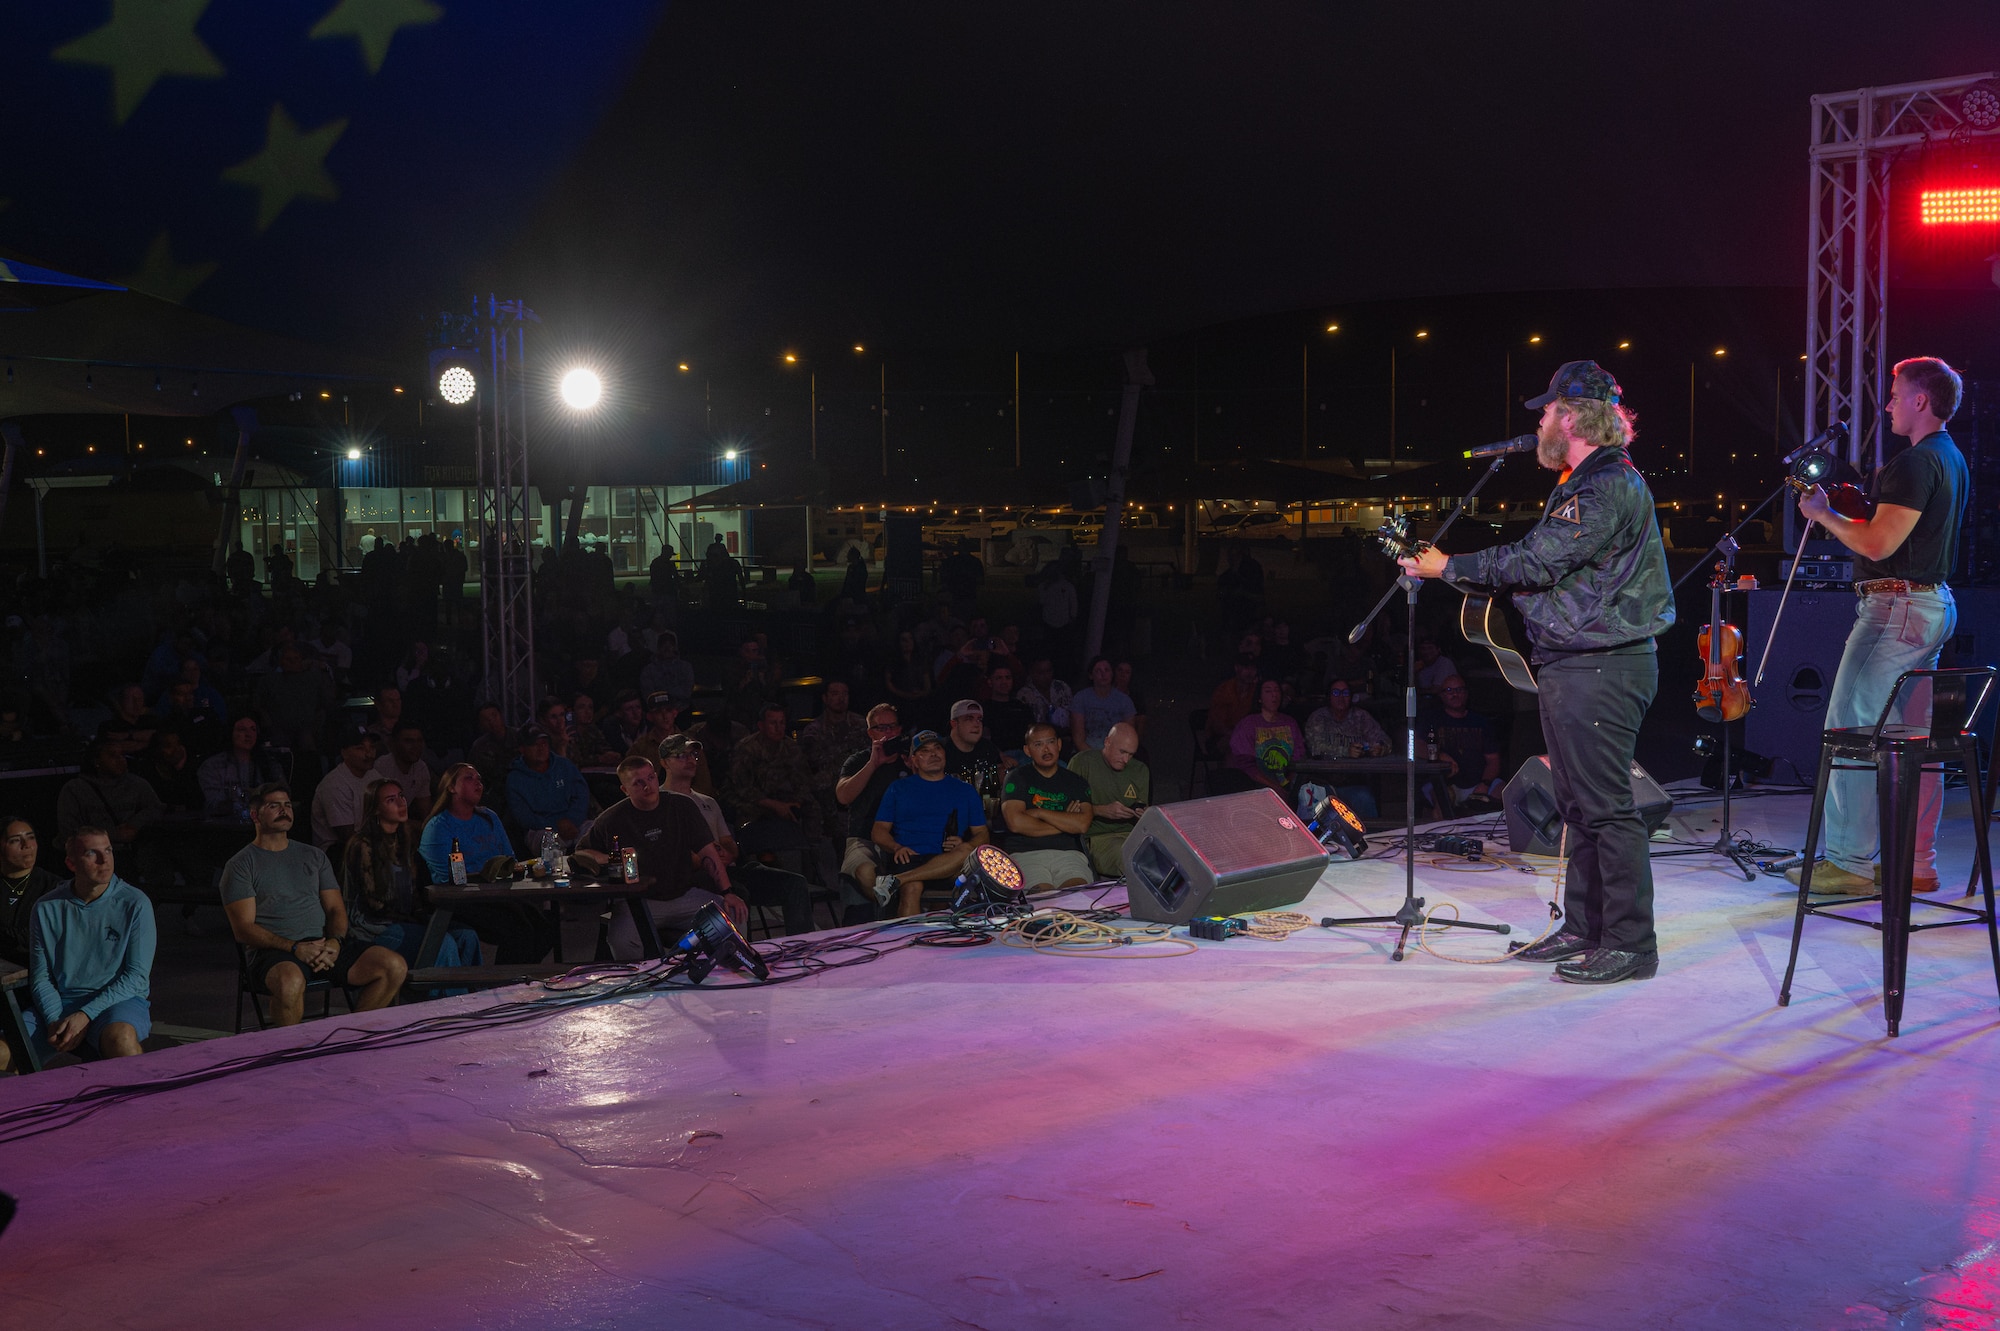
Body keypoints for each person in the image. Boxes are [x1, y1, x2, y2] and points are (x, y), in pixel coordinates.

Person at [1398, 358, 1672, 985]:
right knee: (1578, 806)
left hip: (1601, 666)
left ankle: (1632, 945)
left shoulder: (1604, 485)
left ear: (1572, 416)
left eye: (1549, 410)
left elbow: (1540, 559)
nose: (1542, 420)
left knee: (1606, 809)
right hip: (1578, 662)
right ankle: (1585, 928)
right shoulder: (1586, 480)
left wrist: (1449, 566)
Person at [1789, 356, 1970, 896]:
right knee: (1914, 738)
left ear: (1920, 401)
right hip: (1932, 606)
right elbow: (1904, 534)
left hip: (1897, 610)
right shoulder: (1950, 457)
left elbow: (1877, 545)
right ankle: (1916, 863)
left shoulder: (1915, 462)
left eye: (1895, 395)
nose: (1888, 404)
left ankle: (1847, 863)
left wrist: (1823, 514)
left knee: (1851, 726)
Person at [220, 785, 407, 1025]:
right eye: (274, 805)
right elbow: (243, 929)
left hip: (323, 947)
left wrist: (335, 941)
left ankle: (351, 1039)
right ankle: (291, 1056)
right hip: (275, 953)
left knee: (393, 966)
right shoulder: (241, 865)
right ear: (255, 815)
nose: (284, 810)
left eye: (287, 805)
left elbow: (335, 909)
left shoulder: (314, 856)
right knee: (290, 983)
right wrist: (295, 948)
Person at [9, 827, 155, 1071]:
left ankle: (142, 1107)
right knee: (4, 1050)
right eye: (92, 853)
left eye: (108, 850)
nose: (104, 859)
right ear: (71, 863)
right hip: (60, 1004)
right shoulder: (47, 907)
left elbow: (136, 977)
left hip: (117, 1002)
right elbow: (41, 977)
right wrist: (56, 1020)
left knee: (121, 1040)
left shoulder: (135, 903)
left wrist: (85, 1014)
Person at [575, 755, 739, 956]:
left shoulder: (681, 806)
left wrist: (727, 892)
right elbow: (582, 851)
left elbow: (708, 852)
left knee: (732, 914)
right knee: (621, 940)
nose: (648, 786)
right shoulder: (612, 819)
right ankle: (644, 982)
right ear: (625, 790)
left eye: (651, 778)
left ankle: (720, 972)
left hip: (683, 893)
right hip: (639, 900)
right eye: (638, 783)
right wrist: (610, 858)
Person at [664, 735, 815, 936]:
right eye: (682, 756)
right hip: (698, 876)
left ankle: (801, 947)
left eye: (693, 755)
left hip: (729, 869)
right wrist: (707, 858)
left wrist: (729, 852)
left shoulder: (707, 801)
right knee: (738, 893)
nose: (691, 760)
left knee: (794, 883)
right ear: (665, 762)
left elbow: (727, 840)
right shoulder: (660, 802)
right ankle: (745, 955)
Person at [419, 764, 554, 962]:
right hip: (462, 899)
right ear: (451, 787)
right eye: (469, 778)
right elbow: (444, 881)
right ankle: (505, 986)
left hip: (499, 893)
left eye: (479, 778)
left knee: (546, 929)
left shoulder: (488, 817)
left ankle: (517, 979)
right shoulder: (439, 827)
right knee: (519, 931)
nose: (478, 783)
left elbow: (510, 859)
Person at [340, 779, 481, 969]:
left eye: (402, 796)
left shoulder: (407, 839)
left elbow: (416, 892)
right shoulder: (363, 845)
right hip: (375, 928)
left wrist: (425, 917)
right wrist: (421, 923)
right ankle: (449, 997)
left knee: (467, 936)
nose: (401, 803)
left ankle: (474, 996)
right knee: (442, 943)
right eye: (391, 800)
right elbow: (373, 904)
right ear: (376, 809)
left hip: (409, 919)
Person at [869, 730, 988, 918]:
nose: (933, 754)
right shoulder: (898, 788)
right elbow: (878, 831)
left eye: (937, 748)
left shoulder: (965, 790)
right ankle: (910, 944)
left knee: (967, 852)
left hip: (950, 862)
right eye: (925, 751)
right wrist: (896, 847)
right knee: (913, 887)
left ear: (945, 754)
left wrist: (966, 843)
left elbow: (982, 834)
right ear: (914, 760)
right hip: (910, 857)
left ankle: (895, 881)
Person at [999, 723, 1095, 890]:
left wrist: (1039, 812)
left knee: (1076, 895)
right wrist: (1066, 822)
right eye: (1038, 744)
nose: (1046, 749)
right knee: (1043, 899)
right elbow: (1015, 823)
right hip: (1025, 854)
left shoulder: (1076, 781)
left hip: (1068, 854)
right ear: (1027, 750)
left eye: (1050, 742)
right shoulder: (1017, 778)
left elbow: (1082, 824)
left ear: (1058, 744)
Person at [834, 704, 909, 909]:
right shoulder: (859, 760)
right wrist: (873, 764)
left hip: (904, 838)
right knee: (865, 871)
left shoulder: (911, 760)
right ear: (870, 732)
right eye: (881, 728)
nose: (888, 733)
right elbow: (843, 796)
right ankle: (889, 910)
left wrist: (916, 769)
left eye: (892, 727)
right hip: (863, 838)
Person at [1070, 723, 1150, 878]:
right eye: (1122, 752)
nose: (1126, 759)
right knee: (1132, 858)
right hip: (1099, 837)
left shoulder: (1139, 770)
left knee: (1171, 855)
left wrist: (1145, 813)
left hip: (1132, 833)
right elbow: (1067, 810)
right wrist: (1101, 810)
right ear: (1107, 742)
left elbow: (1143, 805)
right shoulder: (1083, 762)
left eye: (1131, 754)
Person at [57, 739, 163, 855]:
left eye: (122, 755)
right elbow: (68, 831)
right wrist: (113, 835)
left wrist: (134, 825)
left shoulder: (137, 784)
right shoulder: (74, 789)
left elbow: (155, 809)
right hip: (92, 854)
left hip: (135, 853)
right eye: (113, 755)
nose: (120, 760)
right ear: (96, 761)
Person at [1303, 679, 1388, 819]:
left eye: (1345, 693)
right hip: (1323, 783)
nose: (1341, 697)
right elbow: (1315, 747)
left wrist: (1380, 749)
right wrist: (1346, 752)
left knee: (1364, 798)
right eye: (1336, 693)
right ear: (1329, 696)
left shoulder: (1361, 716)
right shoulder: (1319, 717)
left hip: (1354, 782)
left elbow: (1384, 740)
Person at [505, 724, 590, 848]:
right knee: (549, 846)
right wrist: (555, 825)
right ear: (522, 749)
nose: (541, 748)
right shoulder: (515, 778)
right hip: (540, 829)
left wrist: (572, 820)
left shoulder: (564, 765)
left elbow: (581, 796)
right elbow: (523, 816)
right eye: (534, 744)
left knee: (599, 832)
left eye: (544, 743)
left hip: (575, 824)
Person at [1423, 676, 1502, 810]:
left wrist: (1485, 784)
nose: (1455, 694)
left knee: (1504, 793)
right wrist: (1439, 754)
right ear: (1441, 695)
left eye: (1459, 690)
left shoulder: (1480, 722)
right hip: (1444, 783)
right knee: (1441, 798)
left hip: (1479, 784)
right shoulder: (1432, 719)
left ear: (1466, 693)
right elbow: (1414, 745)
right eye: (1449, 690)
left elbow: (1493, 760)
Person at [799, 680, 867, 821]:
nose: (841, 699)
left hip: (857, 782)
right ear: (825, 698)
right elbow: (810, 766)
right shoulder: (814, 730)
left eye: (845, 694)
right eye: (835, 694)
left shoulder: (861, 725)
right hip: (827, 791)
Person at [1227, 679, 1304, 797]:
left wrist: (1288, 784)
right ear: (1260, 698)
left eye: (1277, 691)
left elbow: (1299, 756)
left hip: (1287, 783)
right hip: (1255, 786)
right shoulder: (1248, 724)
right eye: (1268, 691)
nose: (1274, 695)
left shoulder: (1290, 723)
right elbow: (1245, 764)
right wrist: (1273, 787)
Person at [198, 714, 286, 816]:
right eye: (242, 729)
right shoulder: (212, 766)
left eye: (253, 729)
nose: (248, 734)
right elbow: (212, 803)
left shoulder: (269, 764)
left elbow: (284, 793)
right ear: (231, 733)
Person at [0, 817, 59, 968]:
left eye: (31, 838)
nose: (27, 846)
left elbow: (40, 935)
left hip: (38, 970)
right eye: (15, 840)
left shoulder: (54, 886)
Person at [310, 725, 380, 850]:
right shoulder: (334, 784)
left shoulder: (373, 775)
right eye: (360, 748)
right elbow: (347, 837)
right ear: (344, 753)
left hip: (367, 840)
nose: (369, 754)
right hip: (335, 852)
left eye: (372, 747)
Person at [942, 699, 1012, 805]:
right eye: (969, 719)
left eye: (979, 719)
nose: (976, 724)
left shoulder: (988, 748)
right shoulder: (940, 751)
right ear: (954, 724)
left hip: (984, 813)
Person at [1070, 656, 1137, 753]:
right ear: (1091, 675)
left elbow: (1128, 735)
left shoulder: (1125, 701)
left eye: (1107, 670)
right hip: (1085, 754)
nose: (1103, 674)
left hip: (1116, 755)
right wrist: (1095, 758)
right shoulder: (1080, 698)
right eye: (1098, 671)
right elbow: (1078, 739)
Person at [373, 722, 434, 821]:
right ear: (393, 743)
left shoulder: (421, 768)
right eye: (409, 741)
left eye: (419, 741)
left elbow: (426, 812)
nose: (416, 746)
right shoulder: (381, 768)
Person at [1205, 654, 1261, 751]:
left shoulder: (1257, 690)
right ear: (1236, 668)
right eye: (1246, 668)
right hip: (1220, 737)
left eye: (1253, 668)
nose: (1250, 672)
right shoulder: (1224, 691)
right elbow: (1219, 727)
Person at [982, 663, 1034, 754]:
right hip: (999, 757)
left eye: (1008, 678)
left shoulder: (1022, 707)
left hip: (1026, 754)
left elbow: (1033, 733)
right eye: (999, 678)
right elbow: (984, 739)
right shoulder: (984, 708)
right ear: (990, 682)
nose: (1004, 682)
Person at [1016, 656, 1073, 734]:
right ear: (1031, 673)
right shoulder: (1024, 695)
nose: (1046, 676)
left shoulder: (1062, 687)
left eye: (1048, 671)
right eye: (1040, 673)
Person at [638, 631, 695, 708]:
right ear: (658, 647)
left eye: (670, 645)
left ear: (675, 647)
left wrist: (662, 692)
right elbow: (649, 697)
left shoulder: (686, 667)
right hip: (657, 712)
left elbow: (686, 692)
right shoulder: (648, 670)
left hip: (682, 710)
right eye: (663, 645)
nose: (667, 648)